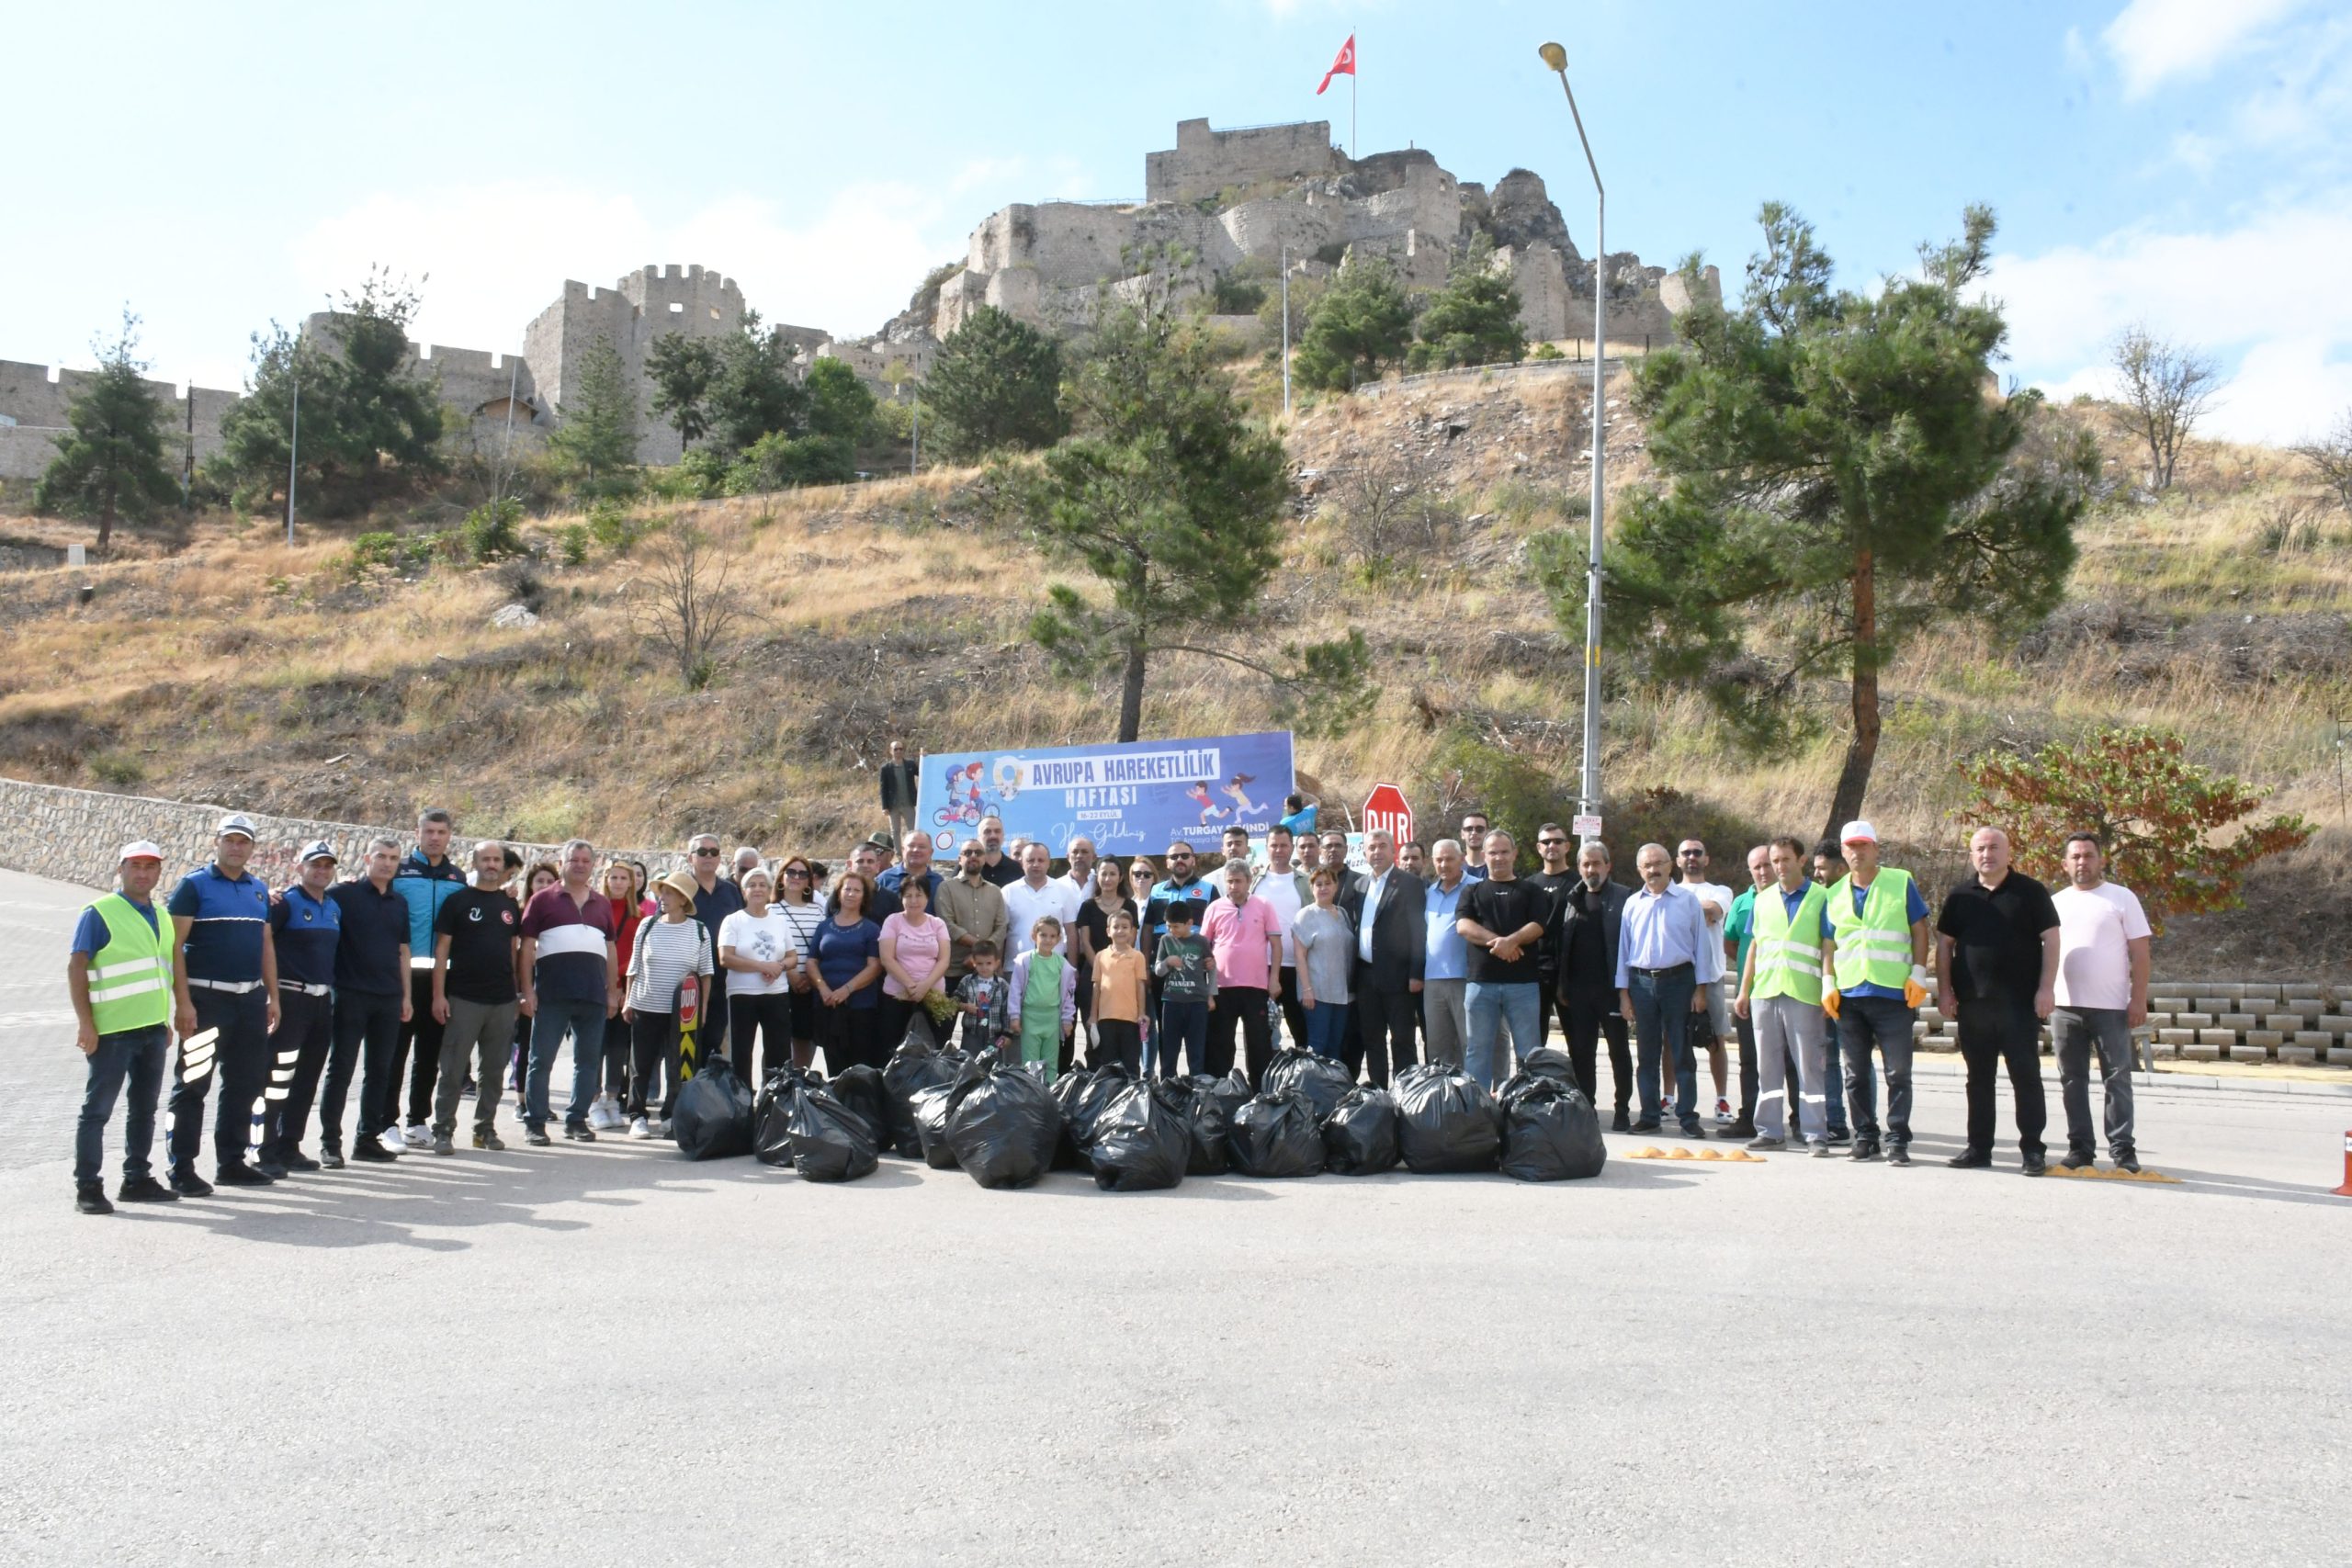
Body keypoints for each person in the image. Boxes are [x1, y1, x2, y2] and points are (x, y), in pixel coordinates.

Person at [164, 813, 281, 1193]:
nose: (236, 847)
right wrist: (183, 1001)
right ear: (216, 842)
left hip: (249, 1001)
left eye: (243, 841)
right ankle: (181, 1168)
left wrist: (273, 996)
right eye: (229, 840)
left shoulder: (258, 890)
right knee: (194, 1084)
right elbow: (174, 947)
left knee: (244, 1084)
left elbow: (265, 945)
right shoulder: (193, 886)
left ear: (252, 848)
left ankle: (231, 1162)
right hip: (206, 999)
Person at [1935, 827, 2060, 1176]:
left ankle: (2033, 1150)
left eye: (1993, 848)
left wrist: (2046, 989)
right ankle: (1978, 1148)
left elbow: (2051, 940)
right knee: (1978, 1079)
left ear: (2008, 853)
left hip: (2020, 1006)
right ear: (1972, 854)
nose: (1986, 854)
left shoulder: (2031, 892)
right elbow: (1945, 946)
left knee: (2026, 1077)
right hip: (1973, 1005)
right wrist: (1945, 991)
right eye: (1980, 849)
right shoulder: (1960, 896)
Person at [67, 840, 180, 1213]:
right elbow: (76, 967)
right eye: (135, 866)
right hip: (112, 1032)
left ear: (159, 873)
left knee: (144, 1109)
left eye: (150, 866)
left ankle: (137, 1179)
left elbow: (160, 972)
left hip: (150, 1029)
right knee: (97, 1112)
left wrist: (164, 1019)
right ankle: (88, 1186)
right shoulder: (99, 912)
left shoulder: (162, 915)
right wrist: (86, 1024)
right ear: (121, 870)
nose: (143, 873)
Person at [1821, 820, 1932, 1165]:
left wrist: (1918, 971)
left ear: (1876, 849)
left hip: (1893, 993)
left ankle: (1898, 1138)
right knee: (1854, 1073)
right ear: (1843, 852)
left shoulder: (1900, 882)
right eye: (1851, 846)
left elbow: (1920, 929)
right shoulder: (1834, 893)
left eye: (1864, 845)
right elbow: (1829, 941)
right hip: (1850, 995)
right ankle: (1866, 1135)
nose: (1858, 852)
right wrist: (1828, 980)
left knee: (1898, 1072)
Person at [1734, 838, 1833, 1154]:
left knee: (1810, 1068)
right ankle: (1769, 1131)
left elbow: (1828, 945)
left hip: (1804, 992)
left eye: (1785, 859)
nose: (1778, 866)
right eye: (1774, 860)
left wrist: (1829, 986)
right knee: (1768, 1066)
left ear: (1801, 860)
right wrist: (1744, 990)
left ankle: (1816, 1134)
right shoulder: (1762, 900)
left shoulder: (1821, 897)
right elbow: (1754, 946)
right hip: (1766, 991)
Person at [519, 838, 619, 1146]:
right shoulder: (542, 900)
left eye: (585, 860)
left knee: (588, 1062)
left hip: (593, 996)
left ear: (594, 865)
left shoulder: (602, 904)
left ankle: (576, 1120)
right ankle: (535, 1122)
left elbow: (611, 950)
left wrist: (613, 991)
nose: (579, 865)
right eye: (573, 860)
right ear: (562, 864)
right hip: (551, 995)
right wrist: (526, 990)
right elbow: (525, 949)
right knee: (540, 1061)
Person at [427, 838, 524, 1155]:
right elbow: (442, 951)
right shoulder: (458, 902)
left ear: (503, 866)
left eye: (497, 860)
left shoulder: (510, 906)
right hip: (463, 998)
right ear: (475, 863)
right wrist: (439, 995)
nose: (492, 865)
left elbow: (513, 952)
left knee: (494, 1071)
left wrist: (516, 994)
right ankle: (443, 1131)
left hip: (501, 1000)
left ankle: (484, 1130)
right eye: (486, 860)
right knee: (453, 1069)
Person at [319, 836, 411, 1166]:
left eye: (393, 858)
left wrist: (406, 996)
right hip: (350, 994)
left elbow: (403, 951)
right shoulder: (342, 895)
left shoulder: (399, 902)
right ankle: (330, 1142)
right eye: (381, 856)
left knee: (380, 1071)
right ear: (366, 858)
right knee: (341, 1069)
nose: (387, 863)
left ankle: (367, 1140)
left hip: (388, 997)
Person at [1616, 842, 1717, 1137]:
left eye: (1658, 863)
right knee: (1647, 1055)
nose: (1653, 869)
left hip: (1680, 982)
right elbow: (1624, 950)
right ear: (1639, 870)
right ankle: (1649, 1116)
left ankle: (1687, 1117)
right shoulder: (1633, 903)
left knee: (1683, 1053)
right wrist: (1624, 994)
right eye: (1647, 865)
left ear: (1670, 865)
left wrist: (1701, 990)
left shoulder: (1686, 902)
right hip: (1642, 984)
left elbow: (1702, 947)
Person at [256, 841, 341, 1177]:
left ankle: (289, 1144)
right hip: (290, 1000)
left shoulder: (334, 907)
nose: (321, 870)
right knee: (276, 1076)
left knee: (307, 1078)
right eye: (314, 864)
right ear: (300, 867)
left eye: (327, 865)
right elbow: (263, 947)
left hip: (322, 1002)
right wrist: (270, 995)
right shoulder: (285, 903)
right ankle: (263, 1148)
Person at [388, 807, 466, 1150]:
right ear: (417, 833)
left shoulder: (458, 878)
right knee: (394, 1053)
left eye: (441, 832)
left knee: (429, 1056)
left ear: (450, 836)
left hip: (439, 982)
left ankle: (417, 1121)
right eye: (429, 831)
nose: (435, 838)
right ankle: (384, 1122)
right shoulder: (398, 871)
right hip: (400, 978)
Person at [1456, 830, 1552, 1090]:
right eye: (1492, 853)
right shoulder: (1471, 891)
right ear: (1483, 855)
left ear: (1514, 853)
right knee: (1477, 1051)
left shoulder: (1531, 890)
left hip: (1523, 985)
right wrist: (1500, 943)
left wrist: (1513, 941)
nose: (1498, 858)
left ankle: (1528, 1105)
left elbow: (1538, 925)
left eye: (1504, 852)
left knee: (1529, 1051)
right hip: (1480, 984)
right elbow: (1463, 926)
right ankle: (1478, 1108)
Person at [622, 872, 715, 1138]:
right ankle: (637, 1115)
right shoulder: (647, 926)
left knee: (679, 1064)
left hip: (683, 1012)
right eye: (662, 892)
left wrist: (703, 1008)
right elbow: (634, 967)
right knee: (641, 1064)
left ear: (684, 900)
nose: (663, 898)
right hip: (645, 1004)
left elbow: (706, 973)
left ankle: (671, 1114)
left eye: (669, 893)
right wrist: (629, 1000)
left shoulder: (699, 930)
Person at [1555, 840, 1632, 1124]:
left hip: (1611, 990)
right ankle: (1587, 1108)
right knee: (1581, 1053)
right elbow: (1563, 946)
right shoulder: (1572, 899)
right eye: (1586, 864)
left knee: (1619, 1053)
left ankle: (1622, 1110)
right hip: (1578, 992)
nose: (1591, 869)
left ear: (1608, 865)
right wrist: (1563, 987)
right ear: (1579, 868)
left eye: (1597, 863)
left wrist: (1627, 991)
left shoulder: (1624, 897)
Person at [1339, 828, 1423, 1087]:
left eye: (1382, 846)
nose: (1376, 852)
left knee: (1402, 1040)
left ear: (1393, 850)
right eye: (1371, 847)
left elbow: (1419, 931)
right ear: (1364, 852)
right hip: (1366, 976)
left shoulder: (1409, 883)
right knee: (1372, 1039)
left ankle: (1405, 1091)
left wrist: (1416, 974)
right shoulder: (1360, 884)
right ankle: (1378, 1092)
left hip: (1399, 977)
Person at [719, 866, 802, 1089]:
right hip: (742, 994)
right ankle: (742, 1103)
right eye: (752, 885)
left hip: (776, 994)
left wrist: (779, 966)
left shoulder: (779, 921)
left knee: (779, 1052)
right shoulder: (733, 921)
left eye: (762, 885)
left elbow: (792, 957)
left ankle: (775, 1101)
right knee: (741, 1053)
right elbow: (725, 958)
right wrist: (761, 966)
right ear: (743, 891)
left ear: (769, 890)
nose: (757, 889)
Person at [1203, 859, 1283, 1084]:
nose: (1234, 886)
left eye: (1238, 881)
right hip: (1221, 986)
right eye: (1230, 882)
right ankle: (1219, 1089)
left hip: (1256, 986)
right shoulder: (1214, 908)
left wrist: (1274, 978)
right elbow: (1203, 946)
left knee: (1259, 1043)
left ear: (1249, 881)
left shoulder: (1264, 905)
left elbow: (1276, 944)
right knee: (1220, 1043)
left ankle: (1260, 1091)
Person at [1675, 840, 1739, 1126]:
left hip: (1711, 976)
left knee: (1716, 1040)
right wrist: (1698, 911)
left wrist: (1685, 911)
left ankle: (1722, 1098)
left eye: (1697, 853)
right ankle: (1668, 1098)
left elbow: (1713, 910)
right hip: (1676, 976)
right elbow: (1702, 913)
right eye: (1686, 853)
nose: (1691, 857)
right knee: (1671, 1041)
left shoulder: (1720, 891)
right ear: (1676, 861)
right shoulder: (1669, 891)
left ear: (1706, 859)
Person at [1718, 844, 1774, 1140]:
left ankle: (1799, 1120)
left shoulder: (1792, 899)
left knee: (1790, 1063)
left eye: (1768, 864)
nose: (1763, 871)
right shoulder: (1741, 902)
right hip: (1748, 994)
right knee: (1750, 1061)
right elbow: (1730, 941)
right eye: (1757, 867)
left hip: (1783, 991)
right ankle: (1749, 1117)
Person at [595, 861, 652, 1130]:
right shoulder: (595, 909)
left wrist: (621, 988)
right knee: (594, 1048)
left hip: (624, 990)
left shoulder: (639, 915)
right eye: (613, 877)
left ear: (632, 883)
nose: (618, 882)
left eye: (623, 878)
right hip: (596, 986)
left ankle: (611, 1097)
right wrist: (609, 984)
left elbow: (637, 955)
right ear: (605, 879)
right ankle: (593, 1101)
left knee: (618, 1049)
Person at [810, 869, 885, 1074]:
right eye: (847, 889)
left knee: (859, 1066)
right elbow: (811, 961)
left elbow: (875, 966)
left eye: (857, 890)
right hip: (828, 1004)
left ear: (864, 896)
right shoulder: (824, 927)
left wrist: (847, 989)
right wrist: (823, 988)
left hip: (860, 1006)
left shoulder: (871, 929)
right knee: (833, 1065)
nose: (851, 894)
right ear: (839, 893)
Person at [1808, 839, 1853, 1145]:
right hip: (1824, 991)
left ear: (1840, 867)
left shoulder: (1851, 896)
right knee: (1829, 1059)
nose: (1817, 875)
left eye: (1822, 868)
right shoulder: (1817, 898)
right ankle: (1834, 1122)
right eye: (1814, 868)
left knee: (1854, 1061)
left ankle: (1866, 1124)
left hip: (1853, 989)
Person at [876, 874, 950, 1056]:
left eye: (918, 895)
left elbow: (944, 960)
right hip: (897, 995)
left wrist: (925, 986)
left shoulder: (937, 924)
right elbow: (887, 958)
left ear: (927, 897)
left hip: (933, 995)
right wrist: (910, 985)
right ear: (901, 898)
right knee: (893, 1050)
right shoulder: (892, 921)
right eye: (908, 896)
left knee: (932, 1051)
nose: (913, 900)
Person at [684, 832, 746, 1052]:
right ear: (690, 857)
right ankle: (684, 1087)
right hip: (687, 978)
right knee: (685, 1046)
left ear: (720, 858)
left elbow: (743, 929)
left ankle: (708, 1087)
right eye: (702, 852)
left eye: (714, 852)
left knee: (715, 1042)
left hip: (723, 979)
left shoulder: (730, 891)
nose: (708, 856)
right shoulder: (680, 889)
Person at [1073, 857, 1139, 1053]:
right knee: (1092, 1026)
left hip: (1123, 974)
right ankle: (1095, 1073)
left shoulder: (1130, 906)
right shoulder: (1087, 906)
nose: (1107, 878)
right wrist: (1101, 968)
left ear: (1120, 878)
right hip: (1093, 973)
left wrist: (1113, 968)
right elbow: (1085, 942)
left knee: (1120, 1028)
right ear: (1097, 877)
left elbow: (1131, 940)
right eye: (1103, 874)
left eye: (1112, 874)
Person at [1523, 824, 1580, 1050]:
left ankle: (1580, 1086)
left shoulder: (1579, 884)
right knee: (1533, 1042)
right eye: (1546, 842)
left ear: (1567, 846)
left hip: (1571, 972)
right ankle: (1533, 1085)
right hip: (1534, 971)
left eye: (1557, 841)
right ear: (1539, 848)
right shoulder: (1528, 885)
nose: (1552, 846)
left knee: (1578, 1042)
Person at [1291, 867, 1356, 1063]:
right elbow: (1299, 956)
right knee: (1318, 1045)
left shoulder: (1343, 913)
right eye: (1318, 884)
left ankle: (1331, 1090)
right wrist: (1307, 990)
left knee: (1336, 1046)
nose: (1323, 888)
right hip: (1317, 993)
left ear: (1336, 886)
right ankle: (1313, 1089)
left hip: (1342, 993)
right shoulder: (1306, 915)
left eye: (1328, 883)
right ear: (1311, 888)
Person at [1254, 825, 1310, 1049]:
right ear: (1266, 848)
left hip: (1297, 966)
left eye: (1284, 845)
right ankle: (1261, 1079)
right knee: (1261, 1030)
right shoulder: (1254, 881)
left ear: (1292, 848)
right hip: (1260, 966)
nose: (1279, 850)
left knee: (1300, 1028)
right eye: (1274, 845)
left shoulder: (1305, 881)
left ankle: (1301, 1078)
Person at [1419, 840, 1473, 1067]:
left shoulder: (1476, 887)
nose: (1444, 864)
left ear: (1461, 859)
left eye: (1449, 859)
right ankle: (1442, 1097)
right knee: (1438, 1047)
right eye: (1439, 859)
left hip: (1466, 978)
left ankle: (1471, 1096)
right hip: (1432, 980)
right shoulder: (1429, 892)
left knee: (1469, 1044)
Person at [773, 855, 828, 1070]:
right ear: (782, 877)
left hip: (810, 983)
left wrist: (810, 977)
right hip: (779, 982)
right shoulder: (771, 909)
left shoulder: (818, 910)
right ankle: (774, 1086)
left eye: (802, 874)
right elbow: (768, 947)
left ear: (809, 880)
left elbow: (822, 946)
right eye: (791, 872)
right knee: (777, 1042)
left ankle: (800, 1083)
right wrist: (791, 974)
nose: (796, 877)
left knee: (805, 1038)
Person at [1009, 916, 1077, 1082]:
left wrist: (1067, 1018)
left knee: (1051, 1060)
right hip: (1030, 1016)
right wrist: (1015, 1016)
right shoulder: (1024, 961)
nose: (1048, 940)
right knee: (1030, 1062)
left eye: (1052, 936)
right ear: (1034, 936)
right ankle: (1030, 1094)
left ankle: (1050, 1094)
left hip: (1052, 1018)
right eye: (1043, 935)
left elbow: (1069, 995)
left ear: (1059, 939)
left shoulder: (1063, 965)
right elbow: (1015, 990)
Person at [1152, 903, 1216, 1077]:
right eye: (1168, 926)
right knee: (1170, 1048)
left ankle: (1196, 1084)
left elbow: (1211, 967)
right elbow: (1158, 970)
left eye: (1176, 926)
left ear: (1189, 923)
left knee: (1196, 1049)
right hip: (1172, 1001)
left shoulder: (1201, 941)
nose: (1172, 930)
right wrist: (1167, 962)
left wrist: (1210, 996)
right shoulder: (1165, 940)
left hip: (1197, 1002)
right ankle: (1167, 1084)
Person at [937, 839, 1010, 987]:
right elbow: (947, 924)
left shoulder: (995, 891)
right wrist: (982, 949)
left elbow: (1002, 926)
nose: (973, 856)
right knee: (958, 1010)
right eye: (967, 852)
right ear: (960, 859)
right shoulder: (946, 888)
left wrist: (980, 956)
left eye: (978, 852)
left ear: (984, 859)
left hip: (987, 972)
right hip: (955, 970)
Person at [1091, 911, 1148, 1074]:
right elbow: (1096, 986)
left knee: (1130, 1062)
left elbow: (1140, 985)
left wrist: (1142, 1013)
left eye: (1125, 927)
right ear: (1108, 931)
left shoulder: (1137, 956)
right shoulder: (1101, 956)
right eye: (1116, 927)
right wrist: (1093, 1015)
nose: (1120, 931)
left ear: (1132, 931)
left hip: (1130, 1018)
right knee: (1108, 1062)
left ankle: (1132, 1095)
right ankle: (1110, 1095)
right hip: (1106, 1018)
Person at [953, 942, 1013, 1056]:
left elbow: (1007, 1011)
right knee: (968, 1061)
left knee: (993, 1064)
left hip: (994, 1034)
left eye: (989, 963)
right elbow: (954, 1001)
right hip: (971, 1033)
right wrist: (965, 1006)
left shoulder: (1002, 985)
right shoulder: (967, 981)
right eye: (980, 963)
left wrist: (1007, 1034)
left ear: (996, 963)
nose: (984, 967)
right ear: (974, 963)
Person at [876, 830, 943, 906]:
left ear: (931, 852)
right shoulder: (885, 879)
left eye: (922, 847)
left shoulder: (939, 883)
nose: (916, 850)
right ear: (903, 850)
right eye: (911, 846)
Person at [879, 739, 920, 846]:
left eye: (900, 749)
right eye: (895, 749)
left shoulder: (910, 764)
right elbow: (883, 788)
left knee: (913, 830)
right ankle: (898, 855)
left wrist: (925, 757)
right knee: (895, 831)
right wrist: (884, 807)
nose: (898, 751)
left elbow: (923, 772)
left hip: (908, 804)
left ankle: (912, 851)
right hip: (893, 806)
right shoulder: (886, 768)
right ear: (890, 751)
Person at [976, 815, 1021, 886]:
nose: (993, 836)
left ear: (1003, 836)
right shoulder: (968, 867)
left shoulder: (1017, 869)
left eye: (997, 831)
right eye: (987, 831)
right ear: (978, 837)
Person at [1319, 830, 1364, 900]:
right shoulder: (1311, 878)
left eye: (1338, 846)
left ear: (1346, 850)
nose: (1333, 849)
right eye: (1329, 846)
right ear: (1321, 851)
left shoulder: (1361, 881)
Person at [1060, 836, 1099, 901]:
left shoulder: (1101, 884)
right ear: (1068, 857)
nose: (1079, 856)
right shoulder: (1057, 885)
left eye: (1084, 852)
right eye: (1075, 852)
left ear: (1094, 857)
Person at [1460, 811, 1490, 880]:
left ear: (1487, 833)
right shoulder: (1454, 868)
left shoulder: (1496, 867)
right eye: (1469, 829)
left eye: (1479, 829)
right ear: (1462, 834)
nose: (1474, 833)